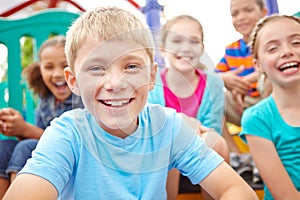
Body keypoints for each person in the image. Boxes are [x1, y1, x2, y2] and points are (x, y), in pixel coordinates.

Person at [3, 6, 259, 200]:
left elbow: (235, 189)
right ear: (74, 81)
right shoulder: (68, 134)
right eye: (97, 68)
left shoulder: (167, 126)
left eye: (131, 66)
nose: (115, 83)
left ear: (150, 76)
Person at [148, 15, 228, 199]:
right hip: (162, 158)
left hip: (201, 151)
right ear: (162, 49)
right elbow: (153, 127)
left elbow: (213, 128)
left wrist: (187, 130)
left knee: (216, 141)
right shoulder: (153, 82)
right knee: (169, 140)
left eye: (194, 41)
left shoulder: (213, 84)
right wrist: (182, 126)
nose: (185, 48)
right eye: (176, 40)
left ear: (202, 48)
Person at [0, 35, 83, 198]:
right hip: (45, 151)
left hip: (71, 155)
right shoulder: (46, 99)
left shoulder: (80, 99)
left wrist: (25, 129)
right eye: (49, 67)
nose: (58, 74)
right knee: (4, 147)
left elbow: (61, 140)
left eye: (65, 66)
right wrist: (16, 129)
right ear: (40, 69)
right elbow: (40, 135)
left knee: (26, 147)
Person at [240, 14, 300, 200]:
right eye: (273, 48)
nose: (287, 51)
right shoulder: (257, 119)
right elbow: (286, 197)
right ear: (258, 65)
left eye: (296, 42)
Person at [215, 0, 268, 153]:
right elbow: (210, 77)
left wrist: (244, 82)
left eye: (248, 10)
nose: (241, 17)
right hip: (242, 105)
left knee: (267, 79)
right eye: (235, 14)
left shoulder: (270, 42)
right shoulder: (232, 49)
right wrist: (225, 79)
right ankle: (236, 155)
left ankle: (275, 140)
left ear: (263, 13)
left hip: (268, 100)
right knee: (210, 92)